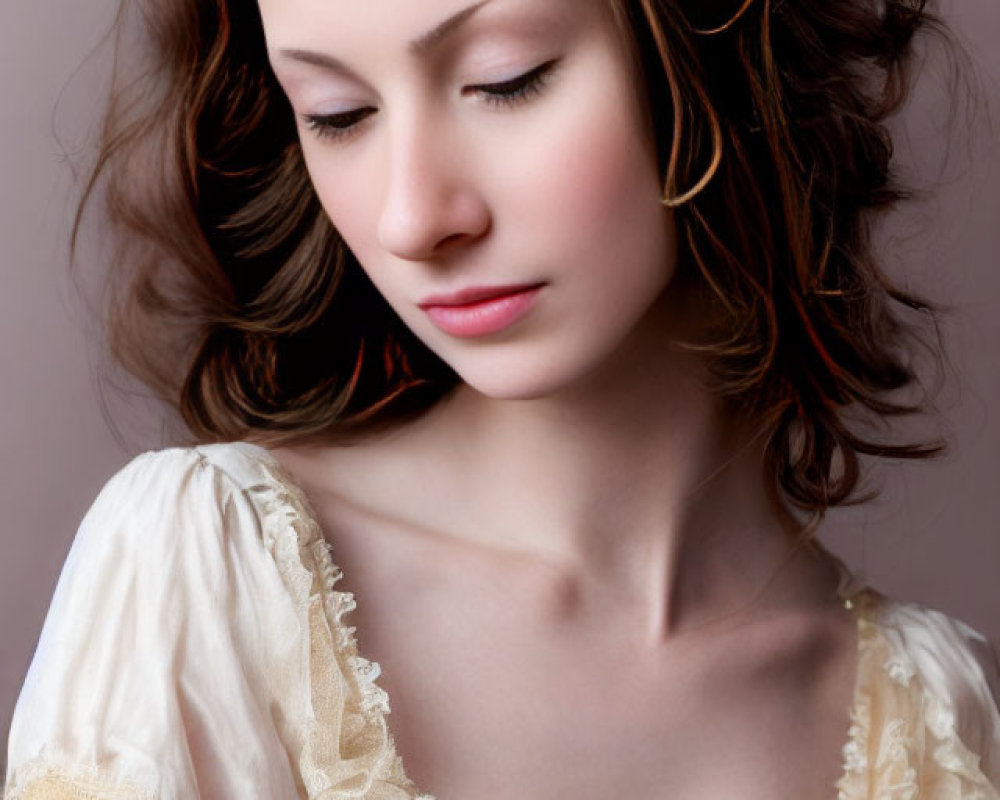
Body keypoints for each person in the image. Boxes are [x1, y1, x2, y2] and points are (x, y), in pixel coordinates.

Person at [3, 0, 999, 797]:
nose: (412, 216)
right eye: (337, 112)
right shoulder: (208, 574)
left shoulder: (939, 728)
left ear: (713, 47)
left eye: (504, 79)